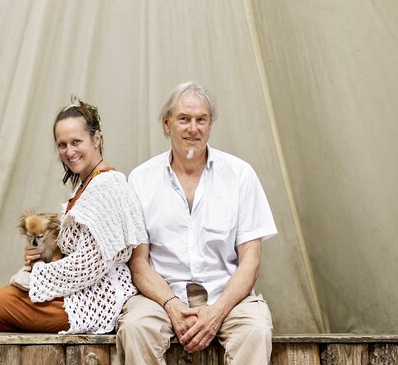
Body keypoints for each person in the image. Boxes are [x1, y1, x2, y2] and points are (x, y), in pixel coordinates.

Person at [116, 81, 277, 364]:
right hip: (162, 297)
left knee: (256, 329)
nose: (193, 128)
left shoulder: (240, 175)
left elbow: (251, 260)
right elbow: (139, 262)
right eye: (184, 119)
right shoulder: (141, 179)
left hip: (227, 295)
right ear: (167, 124)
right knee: (135, 327)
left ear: (210, 125)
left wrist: (218, 311)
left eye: (201, 120)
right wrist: (172, 305)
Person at [0, 99, 147, 333]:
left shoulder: (107, 185)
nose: (69, 152)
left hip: (96, 299)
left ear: (96, 138)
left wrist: (37, 276)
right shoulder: (87, 185)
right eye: (62, 144)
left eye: (76, 142)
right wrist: (43, 255)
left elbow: (90, 265)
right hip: (80, 290)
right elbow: (75, 252)